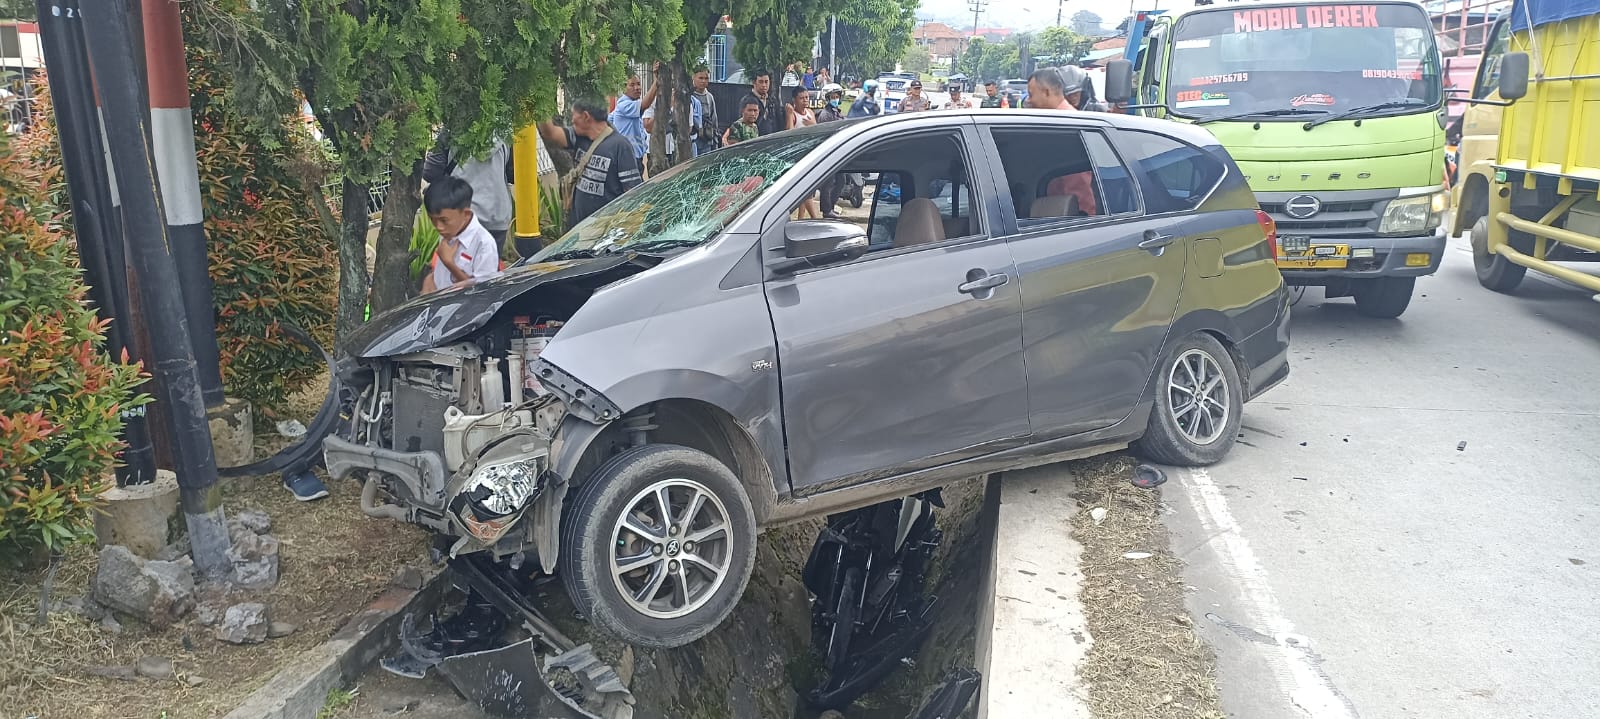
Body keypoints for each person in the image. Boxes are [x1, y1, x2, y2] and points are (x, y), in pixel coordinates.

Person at [538, 99, 644, 228]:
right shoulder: (579, 138)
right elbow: (550, 133)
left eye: (574, 115)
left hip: (603, 232)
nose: (572, 120)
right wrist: (540, 101)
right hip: (578, 230)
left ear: (586, 116)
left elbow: (632, 192)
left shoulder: (620, 146)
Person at [421, 133, 514, 253]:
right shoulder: (504, 131)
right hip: (497, 215)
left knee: (456, 265)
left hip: (457, 215)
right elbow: (513, 174)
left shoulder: (451, 131)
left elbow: (431, 173)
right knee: (488, 268)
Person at [1026, 68, 1099, 216]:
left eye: (1031, 94)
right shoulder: (1055, 123)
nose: (1028, 100)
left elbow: (1080, 188)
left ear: (1046, 92)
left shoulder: (1069, 127)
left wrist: (1084, 224)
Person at [420, 176, 501, 295]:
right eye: (433, 220)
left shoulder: (484, 244)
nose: (438, 227)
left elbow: (483, 293)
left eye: (444, 220)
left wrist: (449, 263)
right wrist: (430, 279)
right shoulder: (449, 232)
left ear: (466, 214)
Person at [611, 66, 661, 168]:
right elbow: (645, 105)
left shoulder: (629, 104)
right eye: (632, 85)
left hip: (635, 158)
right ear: (623, 88)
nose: (637, 88)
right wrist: (656, 81)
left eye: (638, 84)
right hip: (627, 159)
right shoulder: (624, 104)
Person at [740, 69, 783, 136]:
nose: (764, 85)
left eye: (766, 82)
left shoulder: (772, 100)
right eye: (761, 82)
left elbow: (778, 121)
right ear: (754, 82)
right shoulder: (747, 100)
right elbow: (742, 123)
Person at [691, 65, 720, 156]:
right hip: (691, 140)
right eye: (700, 78)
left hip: (706, 141)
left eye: (706, 78)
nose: (703, 81)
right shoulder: (689, 95)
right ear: (693, 77)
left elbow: (714, 120)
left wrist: (714, 141)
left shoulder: (709, 97)